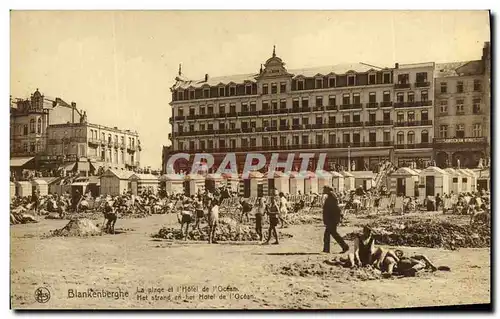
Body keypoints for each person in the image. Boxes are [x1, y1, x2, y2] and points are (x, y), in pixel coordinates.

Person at [322, 186, 349, 253]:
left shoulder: (331, 198)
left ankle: (344, 246)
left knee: (330, 234)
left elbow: (334, 210)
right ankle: (327, 249)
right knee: (332, 234)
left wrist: (331, 220)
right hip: (332, 219)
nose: (323, 190)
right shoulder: (330, 197)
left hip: (332, 220)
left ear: (328, 190)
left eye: (324, 189)